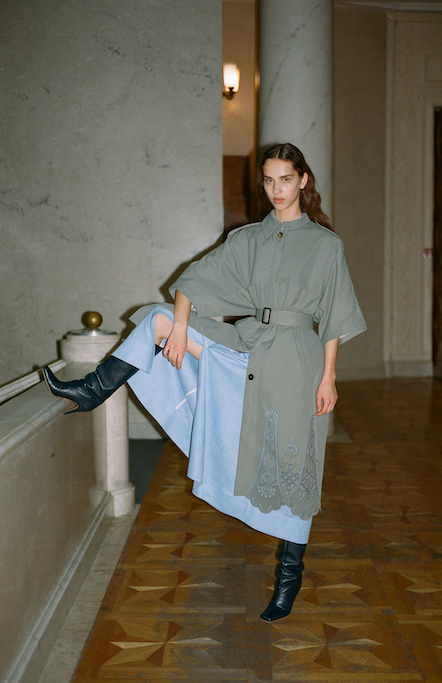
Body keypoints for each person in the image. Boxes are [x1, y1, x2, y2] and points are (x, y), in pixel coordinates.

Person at [43, 143, 366, 622]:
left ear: (303, 180)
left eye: (285, 179)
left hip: (296, 361)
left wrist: (329, 377)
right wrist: (179, 326)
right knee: (155, 318)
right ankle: (93, 390)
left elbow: (335, 317)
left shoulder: (325, 245)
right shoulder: (249, 238)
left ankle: (289, 578)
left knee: (295, 463)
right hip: (246, 342)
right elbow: (193, 280)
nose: (276, 190)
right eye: (268, 180)